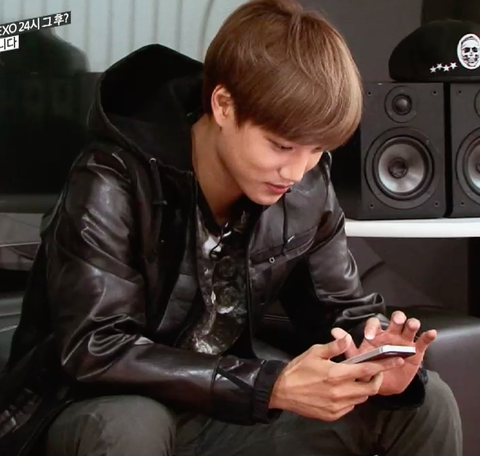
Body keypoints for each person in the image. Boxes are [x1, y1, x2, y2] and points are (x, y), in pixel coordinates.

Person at [0, 0, 462, 455]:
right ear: (223, 105)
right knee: (135, 421)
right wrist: (268, 386)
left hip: (222, 405)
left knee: (425, 401)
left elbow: (338, 308)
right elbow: (95, 348)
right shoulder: (112, 178)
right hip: (93, 407)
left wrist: (376, 355)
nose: (296, 171)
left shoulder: (306, 185)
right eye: (280, 145)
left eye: (317, 149)